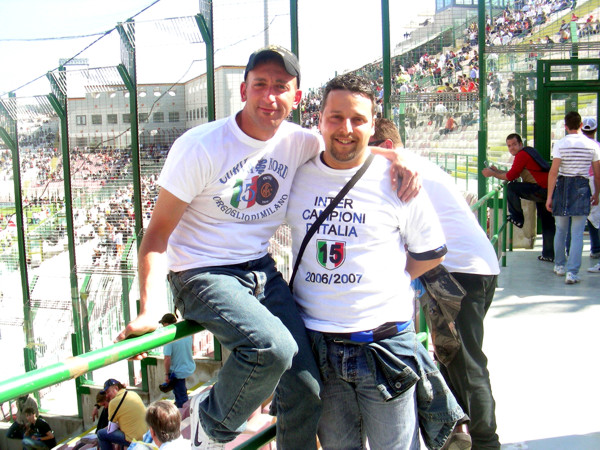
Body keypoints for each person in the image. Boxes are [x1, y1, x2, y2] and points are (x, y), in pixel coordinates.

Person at [115, 45, 419, 449]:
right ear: (243, 90)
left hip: (260, 268)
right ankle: (210, 425)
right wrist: (149, 308)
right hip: (203, 272)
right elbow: (156, 235)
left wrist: (398, 156)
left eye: (281, 86)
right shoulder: (201, 146)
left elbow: (348, 145)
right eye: (260, 84)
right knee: (272, 348)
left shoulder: (298, 141)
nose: (270, 96)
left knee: (308, 390)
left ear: (297, 97)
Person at [286, 75, 463, 450]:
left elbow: (432, 251)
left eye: (358, 119)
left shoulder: (398, 180)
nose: (346, 129)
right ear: (319, 120)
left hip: (386, 346)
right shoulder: (297, 174)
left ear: (372, 124)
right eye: (336, 117)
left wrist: (392, 279)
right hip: (319, 347)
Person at [372, 118, 502, 449]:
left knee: (466, 365)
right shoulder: (419, 165)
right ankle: (459, 432)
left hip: (456, 273)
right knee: (452, 359)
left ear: (386, 147)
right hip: (475, 268)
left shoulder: (398, 169)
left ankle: (486, 442)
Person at [482, 133, 555, 262]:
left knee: (512, 187)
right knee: (547, 222)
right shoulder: (527, 152)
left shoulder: (522, 155)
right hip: (546, 190)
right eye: (509, 146)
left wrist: (493, 174)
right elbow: (513, 173)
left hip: (540, 189)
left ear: (520, 144)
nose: (512, 148)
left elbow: (510, 177)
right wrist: (496, 171)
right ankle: (548, 254)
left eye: (514, 144)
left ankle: (517, 217)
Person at [546, 111, 600, 284]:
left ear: (565, 126)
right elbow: (597, 174)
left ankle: (559, 265)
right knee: (577, 233)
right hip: (582, 186)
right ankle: (572, 272)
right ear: (581, 125)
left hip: (563, 186)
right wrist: (597, 193)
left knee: (561, 229)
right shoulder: (592, 145)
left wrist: (549, 196)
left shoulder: (560, 144)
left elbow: (553, 172)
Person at [97, 378, 148, 450]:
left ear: (116, 388)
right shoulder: (133, 393)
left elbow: (111, 429)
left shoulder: (113, 402)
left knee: (101, 433)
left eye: (108, 392)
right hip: (146, 435)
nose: (107, 396)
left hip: (134, 440)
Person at [159, 313, 195, 408]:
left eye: (163, 324)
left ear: (167, 324)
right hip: (188, 366)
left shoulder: (169, 339)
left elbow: (167, 358)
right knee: (181, 391)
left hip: (177, 372)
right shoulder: (185, 333)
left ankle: (184, 412)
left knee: (181, 398)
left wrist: (167, 374)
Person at [581, 117, 600, 269]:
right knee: (595, 217)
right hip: (594, 181)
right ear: (595, 130)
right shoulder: (597, 146)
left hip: (579, 181)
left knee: (578, 216)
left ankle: (570, 249)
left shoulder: (578, 146)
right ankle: (595, 248)